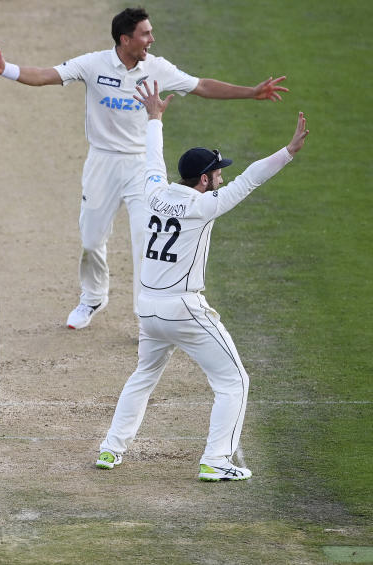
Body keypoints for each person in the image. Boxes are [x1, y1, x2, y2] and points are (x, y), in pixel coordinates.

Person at [0, 7, 289, 329]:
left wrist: (251, 93)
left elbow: (202, 86)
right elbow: (45, 76)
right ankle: (92, 297)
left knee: (145, 240)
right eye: (145, 34)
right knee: (91, 239)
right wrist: (6, 70)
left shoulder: (158, 68)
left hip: (143, 166)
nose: (152, 39)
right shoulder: (94, 64)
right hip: (102, 162)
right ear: (125, 39)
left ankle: (145, 315)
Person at [94, 80, 308, 480]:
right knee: (234, 381)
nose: (222, 178)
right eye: (217, 173)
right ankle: (216, 460)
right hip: (182, 308)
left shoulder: (156, 191)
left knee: (143, 377)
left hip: (148, 307)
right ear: (204, 179)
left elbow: (152, 159)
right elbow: (249, 179)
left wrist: (154, 118)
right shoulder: (203, 206)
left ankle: (110, 449)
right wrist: (288, 152)